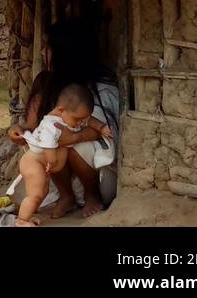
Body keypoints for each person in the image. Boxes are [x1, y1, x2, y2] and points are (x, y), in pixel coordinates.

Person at [8, 21, 120, 218]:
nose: (42, 52)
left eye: (48, 47)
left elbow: (102, 129)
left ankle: (91, 195)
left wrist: (71, 138)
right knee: (47, 148)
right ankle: (66, 195)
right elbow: (31, 126)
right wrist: (18, 130)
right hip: (57, 168)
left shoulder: (95, 88)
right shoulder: (45, 83)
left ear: (64, 53)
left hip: (93, 171)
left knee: (67, 145)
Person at [15, 84, 112, 226]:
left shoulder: (70, 117)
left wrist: (101, 127)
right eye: (77, 119)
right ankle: (22, 220)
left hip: (42, 165)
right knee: (35, 195)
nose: (80, 123)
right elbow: (48, 145)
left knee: (43, 191)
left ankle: (28, 217)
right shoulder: (51, 124)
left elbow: (88, 120)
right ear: (61, 110)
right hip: (34, 163)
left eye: (82, 120)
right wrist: (53, 161)